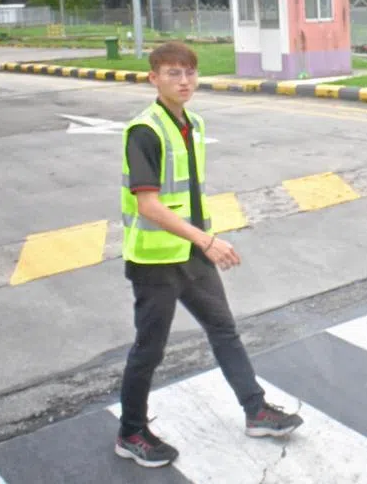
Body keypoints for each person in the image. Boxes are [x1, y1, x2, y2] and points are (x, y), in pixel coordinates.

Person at [115, 41, 302, 468]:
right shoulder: (145, 131)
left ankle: (255, 410)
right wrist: (206, 241)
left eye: (189, 73)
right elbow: (149, 205)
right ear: (153, 78)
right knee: (149, 349)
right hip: (156, 260)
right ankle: (130, 432)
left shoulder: (192, 123)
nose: (184, 81)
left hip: (193, 255)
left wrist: (202, 242)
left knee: (224, 330)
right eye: (173, 73)